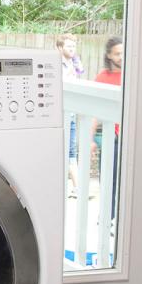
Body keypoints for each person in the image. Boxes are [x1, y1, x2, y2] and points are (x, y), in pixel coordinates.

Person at [93, 36, 124, 233]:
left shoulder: (130, 75)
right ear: (109, 55)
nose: (121, 57)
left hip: (126, 135)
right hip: (109, 135)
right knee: (108, 178)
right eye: (117, 53)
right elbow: (95, 109)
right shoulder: (102, 77)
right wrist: (89, 139)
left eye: (123, 53)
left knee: (124, 179)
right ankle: (107, 215)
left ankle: (121, 217)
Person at [56, 34, 84, 197]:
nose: (72, 49)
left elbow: (80, 75)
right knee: (63, 149)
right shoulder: (56, 65)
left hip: (71, 112)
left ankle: (76, 187)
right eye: (69, 46)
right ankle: (75, 186)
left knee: (71, 150)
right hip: (61, 112)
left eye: (74, 46)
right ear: (60, 48)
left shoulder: (74, 63)